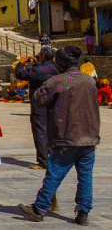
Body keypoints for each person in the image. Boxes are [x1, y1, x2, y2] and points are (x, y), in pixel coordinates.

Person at [18, 45, 100, 226]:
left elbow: (38, 100)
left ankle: (39, 208)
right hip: (89, 137)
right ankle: (83, 212)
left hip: (67, 137)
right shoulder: (89, 81)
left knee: (54, 174)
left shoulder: (57, 82)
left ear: (60, 63)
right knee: (85, 177)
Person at [15, 47, 59, 170]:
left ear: (43, 57)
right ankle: (54, 158)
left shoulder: (39, 70)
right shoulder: (56, 68)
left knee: (40, 132)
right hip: (54, 102)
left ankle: (43, 160)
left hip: (40, 103)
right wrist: (37, 64)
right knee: (52, 131)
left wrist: (21, 64)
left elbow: (20, 74)